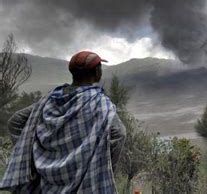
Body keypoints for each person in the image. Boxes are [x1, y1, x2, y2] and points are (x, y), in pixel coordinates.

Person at [0, 51, 126, 193]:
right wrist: (103, 169)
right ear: (97, 72)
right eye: (100, 67)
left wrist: (33, 156)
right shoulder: (99, 103)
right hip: (80, 183)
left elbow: (15, 122)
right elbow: (119, 133)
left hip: (45, 185)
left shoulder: (49, 100)